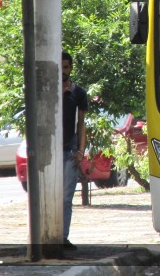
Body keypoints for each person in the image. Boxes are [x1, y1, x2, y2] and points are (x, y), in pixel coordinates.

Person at [61, 51, 89, 251]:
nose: (63, 71)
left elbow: (81, 124)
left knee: (66, 197)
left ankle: (62, 237)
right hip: (49, 153)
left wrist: (80, 151)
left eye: (66, 67)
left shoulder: (78, 93)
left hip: (70, 151)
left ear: (70, 68)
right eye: (60, 67)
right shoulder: (47, 91)